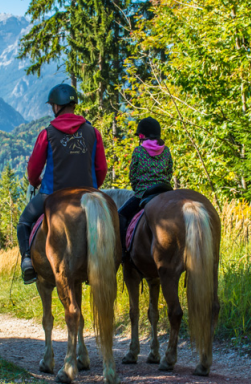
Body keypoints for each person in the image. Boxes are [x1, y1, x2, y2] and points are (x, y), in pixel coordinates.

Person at [17, 83, 108, 284]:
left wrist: (35, 182)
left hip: (52, 194)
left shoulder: (47, 134)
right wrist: (93, 188)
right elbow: (101, 168)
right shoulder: (94, 133)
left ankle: (27, 262)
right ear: (73, 104)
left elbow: (33, 168)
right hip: (88, 194)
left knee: (24, 222)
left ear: (56, 106)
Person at [118, 117, 174, 256]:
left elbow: (133, 175)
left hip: (144, 193)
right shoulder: (166, 150)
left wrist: (138, 188)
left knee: (121, 215)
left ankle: (123, 252)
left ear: (143, 136)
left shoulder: (139, 151)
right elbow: (169, 171)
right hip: (165, 192)